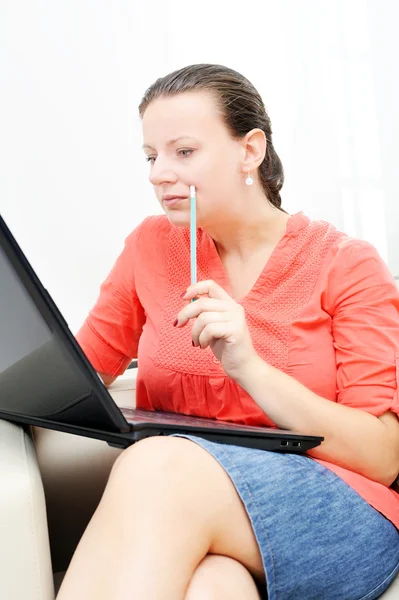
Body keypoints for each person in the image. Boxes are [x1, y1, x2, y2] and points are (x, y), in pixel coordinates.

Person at [57, 64, 399, 600]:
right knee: (213, 586)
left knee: (158, 461)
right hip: (198, 512)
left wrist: (249, 367)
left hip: (334, 510)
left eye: (183, 152)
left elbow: (382, 456)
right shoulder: (150, 246)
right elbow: (77, 375)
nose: (158, 173)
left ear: (250, 150)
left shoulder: (346, 264)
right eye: (151, 156)